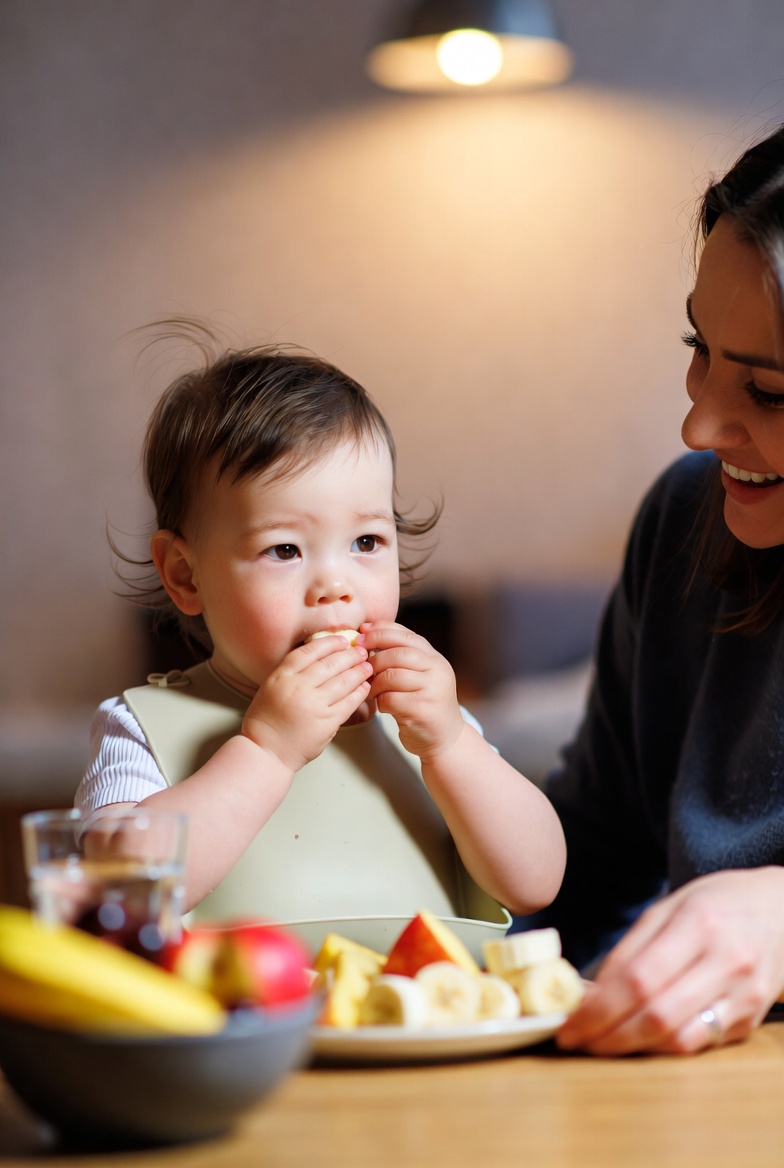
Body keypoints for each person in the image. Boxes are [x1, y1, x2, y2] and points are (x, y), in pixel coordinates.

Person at [76, 333, 566, 930]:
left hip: (426, 1016)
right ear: (186, 575)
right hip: (247, 1017)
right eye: (284, 549)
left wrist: (452, 744)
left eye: (366, 542)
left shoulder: (425, 723)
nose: (335, 586)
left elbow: (537, 882)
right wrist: (267, 752)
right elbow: (118, 891)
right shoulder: (142, 729)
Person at [521, 122, 784, 1056]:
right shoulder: (685, 520)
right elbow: (588, 858)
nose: (698, 423)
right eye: (700, 348)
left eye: (768, 391)